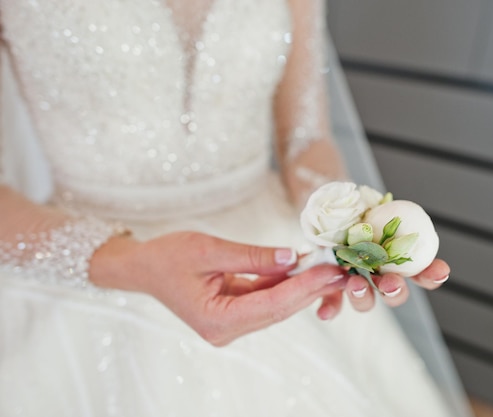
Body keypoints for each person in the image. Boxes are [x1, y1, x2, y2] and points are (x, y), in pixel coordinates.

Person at [0, 0, 462, 415]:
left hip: (276, 250)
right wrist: (129, 262)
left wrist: (350, 226)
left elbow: (305, 139)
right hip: (92, 258)